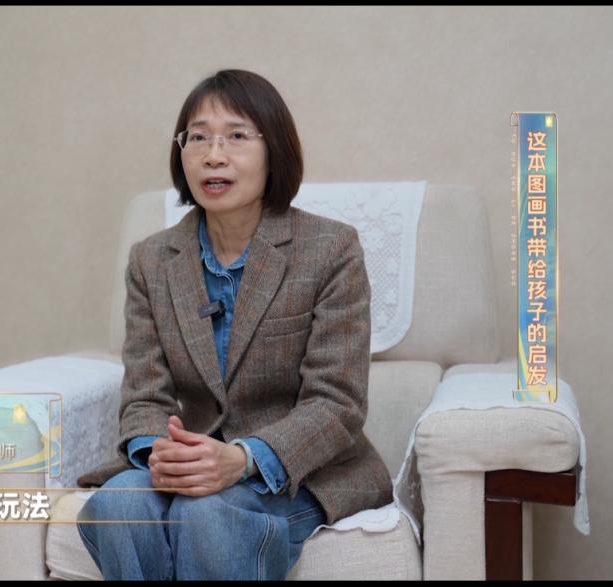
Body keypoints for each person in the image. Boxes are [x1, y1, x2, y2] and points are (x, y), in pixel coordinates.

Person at [75, 69, 393, 580]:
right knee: (119, 505)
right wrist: (162, 454)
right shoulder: (152, 261)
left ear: (275, 150)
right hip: (192, 462)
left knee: (206, 513)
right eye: (198, 137)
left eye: (237, 136)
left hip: (299, 471)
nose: (213, 155)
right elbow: (145, 395)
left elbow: (337, 402)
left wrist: (243, 458)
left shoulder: (330, 249)